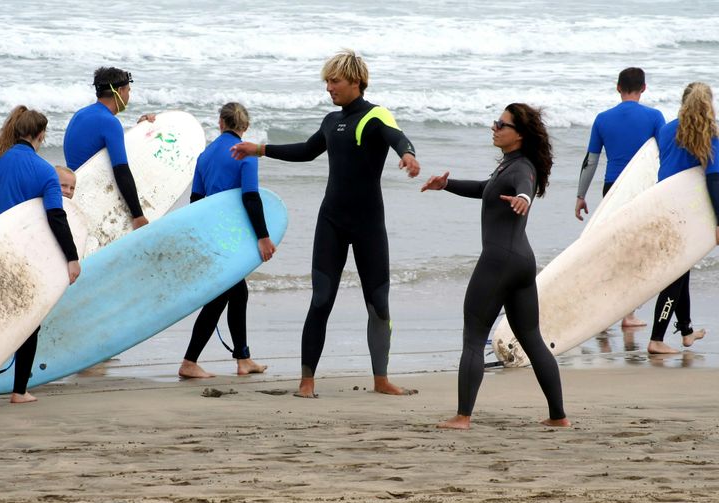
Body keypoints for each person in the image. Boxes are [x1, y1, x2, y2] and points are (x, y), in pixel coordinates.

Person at [230, 49, 420, 398]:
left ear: (356, 82)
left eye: (335, 80)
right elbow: (306, 150)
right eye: (327, 81)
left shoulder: (375, 116)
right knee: (321, 299)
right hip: (331, 220)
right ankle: (306, 382)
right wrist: (259, 149)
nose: (329, 87)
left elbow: (397, 138)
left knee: (378, 303)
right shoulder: (331, 122)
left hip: (368, 225)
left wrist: (408, 155)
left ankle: (381, 380)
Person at [422, 103, 570, 430]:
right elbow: (485, 190)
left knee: (474, 337)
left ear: (519, 135)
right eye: (495, 122)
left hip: (499, 261)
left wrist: (525, 200)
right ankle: (558, 417)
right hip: (520, 262)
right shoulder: (510, 165)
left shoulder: (521, 168)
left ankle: (462, 417)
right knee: (532, 339)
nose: (495, 128)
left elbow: (524, 188)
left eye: (501, 124)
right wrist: (446, 185)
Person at [0, 105, 81, 404]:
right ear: (41, 135)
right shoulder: (44, 170)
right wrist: (72, 257)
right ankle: (19, 391)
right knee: (29, 321)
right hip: (26, 253)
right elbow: (56, 216)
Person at [178, 102, 275, 378]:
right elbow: (251, 197)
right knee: (222, 296)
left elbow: (196, 201)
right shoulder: (245, 154)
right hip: (234, 235)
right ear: (244, 128)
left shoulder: (204, 156)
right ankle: (189, 362)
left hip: (212, 233)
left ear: (220, 122)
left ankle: (243, 358)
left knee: (237, 292)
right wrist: (264, 237)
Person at [576, 68, 666, 328]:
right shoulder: (654, 116)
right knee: (636, 249)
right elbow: (663, 153)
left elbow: (590, 161)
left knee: (612, 246)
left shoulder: (602, 119)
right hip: (643, 187)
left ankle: (602, 309)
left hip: (612, 188)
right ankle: (627, 314)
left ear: (617, 87)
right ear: (644, 88)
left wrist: (580, 195)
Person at [647, 82, 719, 355]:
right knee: (675, 275)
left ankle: (686, 332)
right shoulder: (711, 133)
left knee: (681, 269)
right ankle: (656, 339)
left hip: (661, 204)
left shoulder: (666, 129)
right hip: (686, 211)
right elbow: (714, 179)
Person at [63, 67, 148, 229]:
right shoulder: (110, 122)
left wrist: (140, 132)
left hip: (75, 194)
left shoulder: (80, 114)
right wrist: (137, 215)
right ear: (120, 91)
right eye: (128, 91)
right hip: (94, 199)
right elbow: (121, 170)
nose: (128, 96)